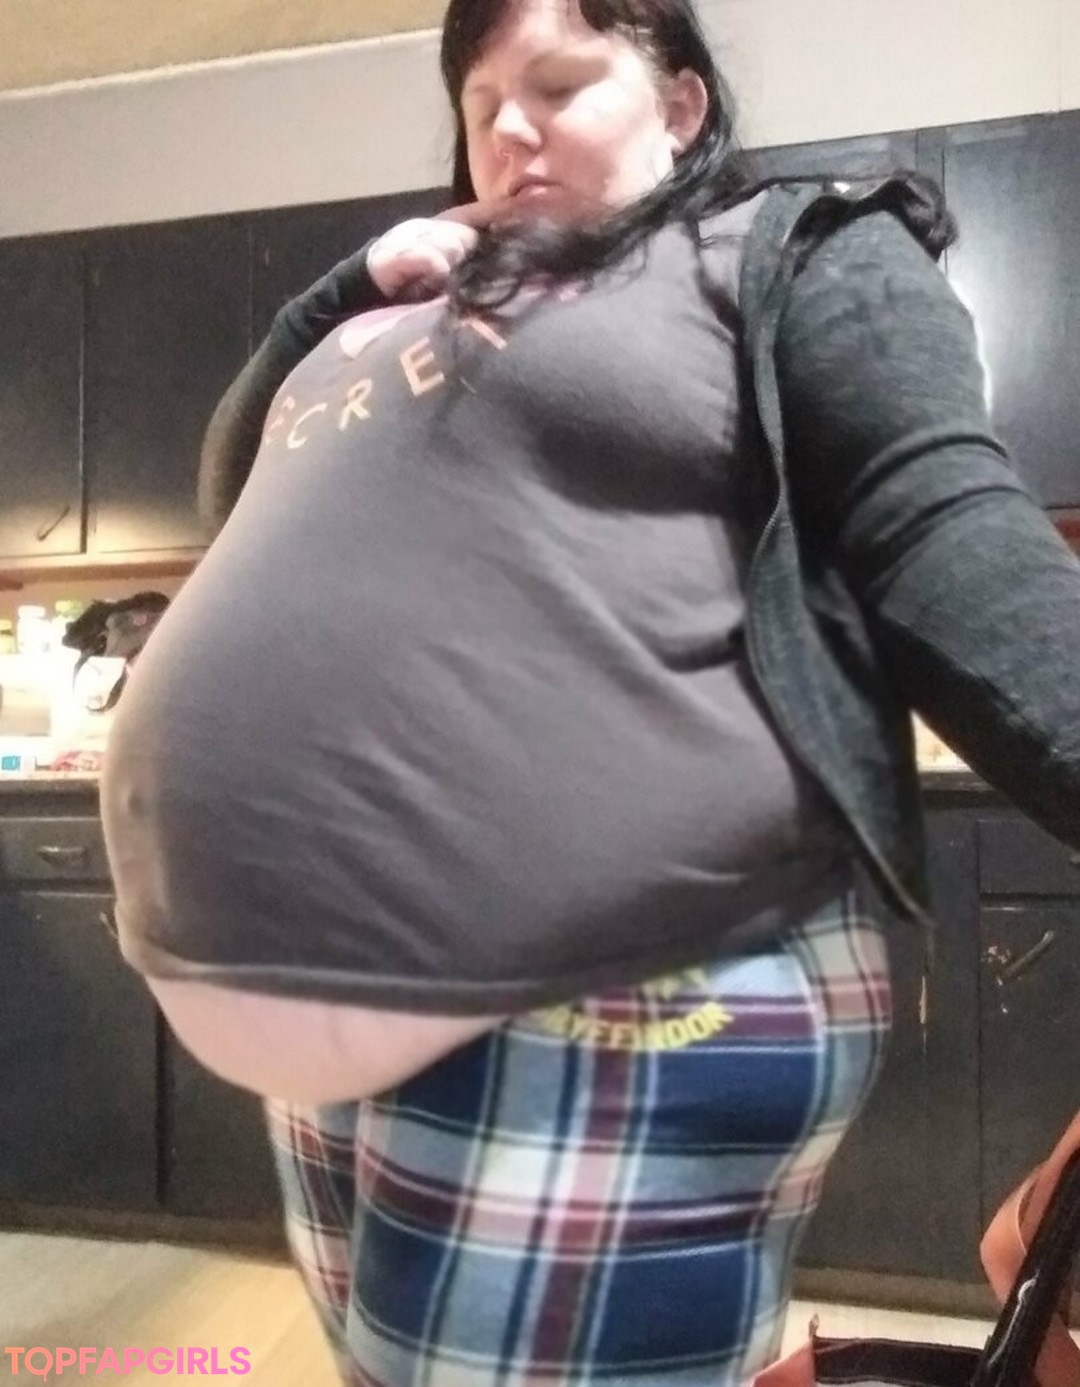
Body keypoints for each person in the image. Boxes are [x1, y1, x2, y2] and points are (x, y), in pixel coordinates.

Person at [99, 0, 1080, 1381]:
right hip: (340, 1003)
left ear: (680, 106)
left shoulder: (782, 250)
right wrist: (350, 289)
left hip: (621, 986)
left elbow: (945, 543)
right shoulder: (421, 298)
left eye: (559, 83)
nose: (508, 126)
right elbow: (242, 482)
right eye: (479, 102)